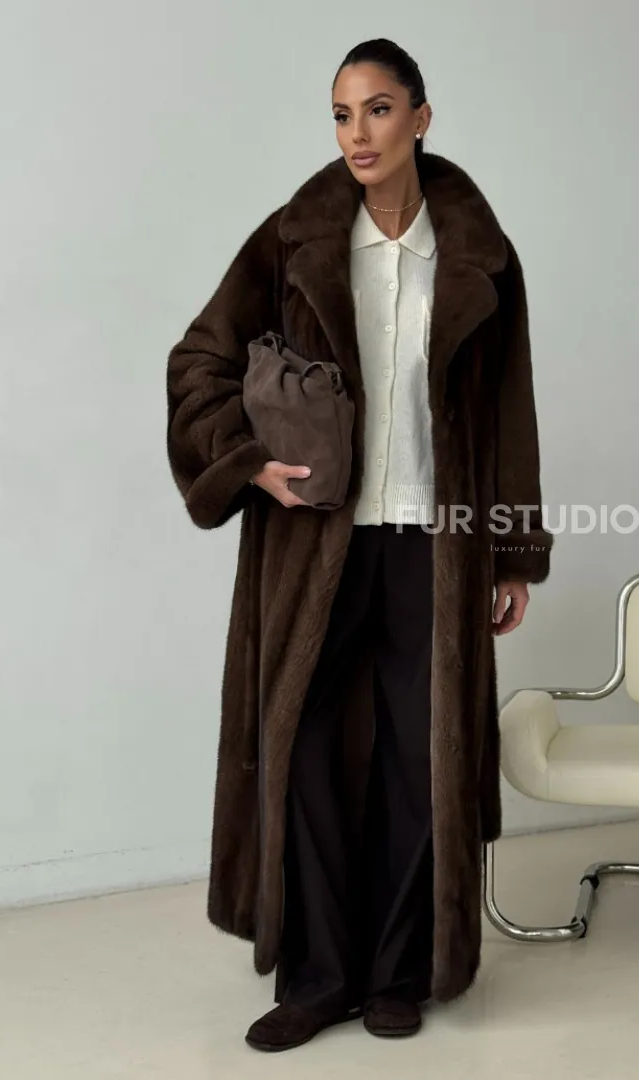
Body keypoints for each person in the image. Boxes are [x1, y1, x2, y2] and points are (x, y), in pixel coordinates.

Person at [165, 38, 553, 1054]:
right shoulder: (291, 241)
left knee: (422, 758)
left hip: (435, 541)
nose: (356, 134)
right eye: (340, 114)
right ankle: (318, 976)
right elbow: (200, 359)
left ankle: (396, 973)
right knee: (303, 754)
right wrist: (247, 461)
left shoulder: (477, 255)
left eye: (377, 110)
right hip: (313, 544)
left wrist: (511, 551)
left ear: (420, 117)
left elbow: (507, 411)